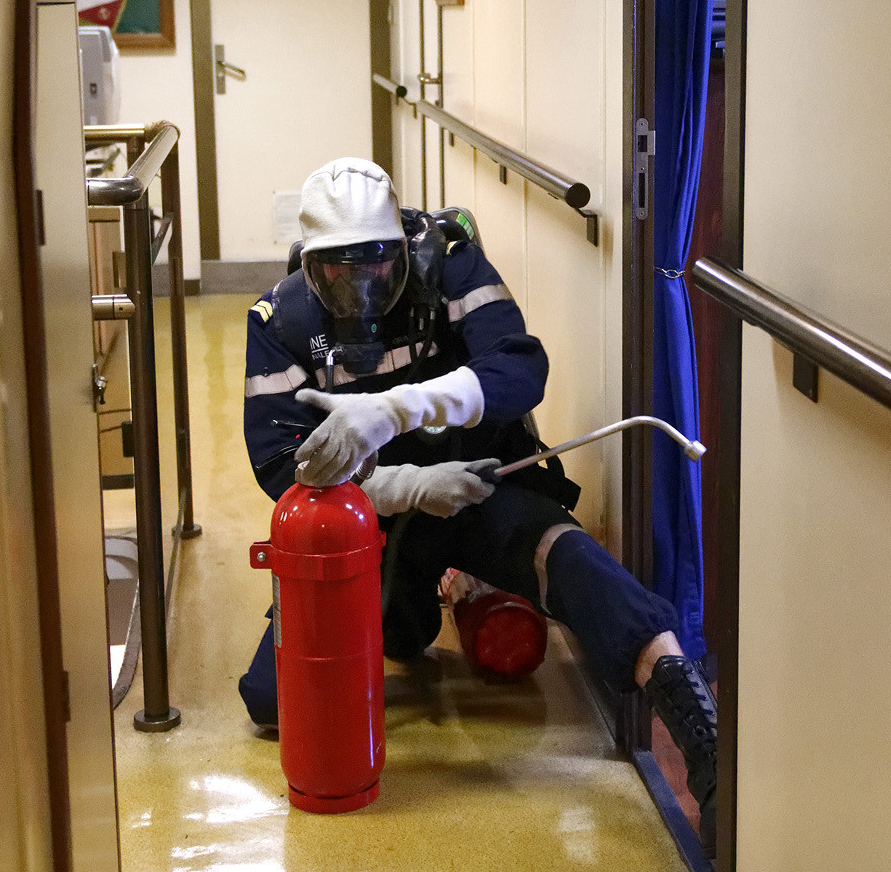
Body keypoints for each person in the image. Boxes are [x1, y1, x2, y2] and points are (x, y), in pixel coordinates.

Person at [239, 158, 718, 833]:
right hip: (367, 520)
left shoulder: (449, 263)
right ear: (310, 267)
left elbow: (521, 368)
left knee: (565, 552)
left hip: (473, 488)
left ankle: (701, 732)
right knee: (277, 695)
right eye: (340, 272)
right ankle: (437, 587)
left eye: (377, 264)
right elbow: (278, 465)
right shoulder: (278, 320)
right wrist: (401, 486)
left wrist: (400, 407)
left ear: (401, 249)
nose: (363, 287)